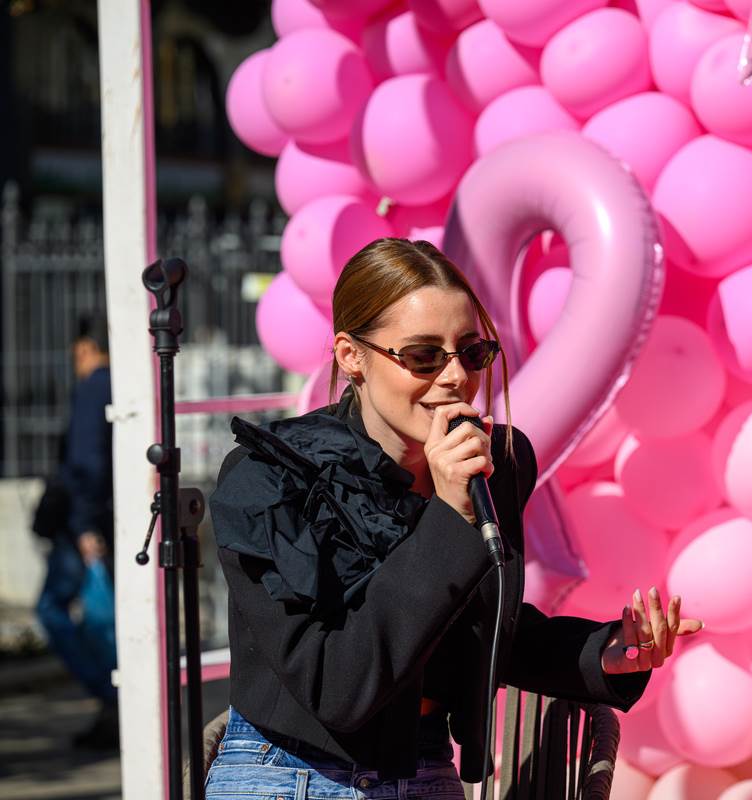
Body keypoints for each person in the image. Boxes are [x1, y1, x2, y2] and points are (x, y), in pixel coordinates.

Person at [206, 238, 701, 799]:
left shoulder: (497, 463)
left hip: (424, 763)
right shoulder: (271, 478)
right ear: (351, 356)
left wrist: (605, 652)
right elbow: (338, 687)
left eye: (471, 353)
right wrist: (446, 514)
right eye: (422, 356)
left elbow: (473, 627)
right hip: (292, 771)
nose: (454, 378)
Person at [34, 313, 118, 750]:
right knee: (101, 614)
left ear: (85, 349)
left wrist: (83, 525)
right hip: (105, 519)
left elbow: (85, 463)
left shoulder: (92, 388)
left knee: (54, 609)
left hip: (83, 525)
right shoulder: (119, 387)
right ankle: (113, 702)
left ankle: (111, 696)